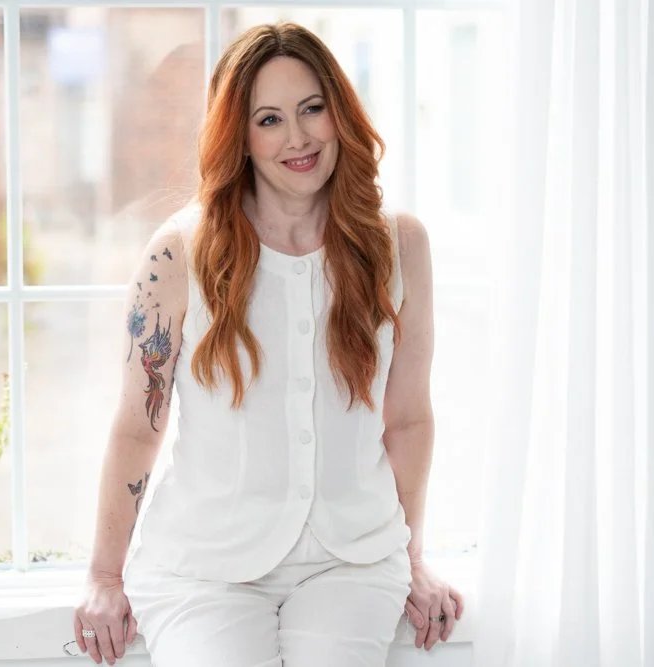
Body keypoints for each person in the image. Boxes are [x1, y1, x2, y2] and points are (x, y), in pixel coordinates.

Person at [71, 22, 463, 667]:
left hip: (353, 560)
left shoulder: (400, 245)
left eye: (313, 109)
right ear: (240, 136)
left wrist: (413, 556)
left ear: (340, 112)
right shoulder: (180, 251)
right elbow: (139, 427)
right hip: (203, 567)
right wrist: (104, 576)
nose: (299, 137)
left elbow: (410, 418)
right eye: (269, 119)